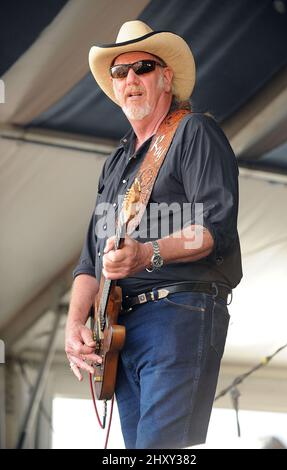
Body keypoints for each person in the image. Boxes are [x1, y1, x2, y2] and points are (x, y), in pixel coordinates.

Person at [65, 20, 242, 449]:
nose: (130, 80)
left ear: (166, 78)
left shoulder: (193, 131)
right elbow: (91, 259)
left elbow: (214, 228)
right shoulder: (116, 162)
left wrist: (147, 254)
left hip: (178, 312)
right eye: (120, 73)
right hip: (120, 327)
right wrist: (73, 325)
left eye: (142, 67)